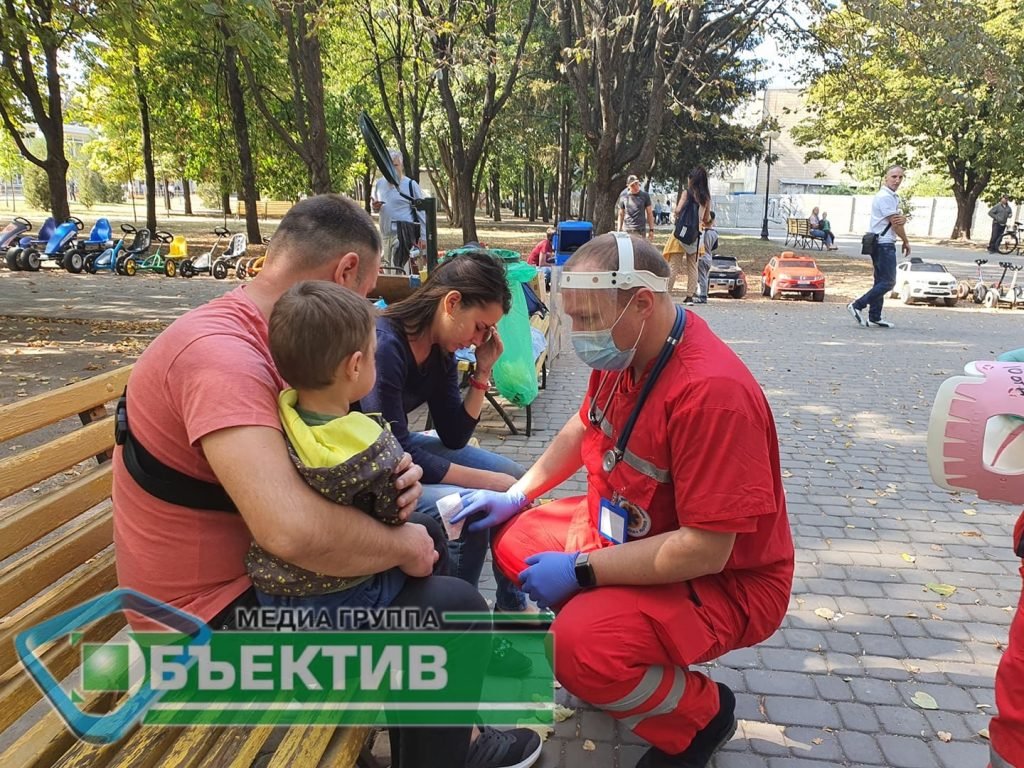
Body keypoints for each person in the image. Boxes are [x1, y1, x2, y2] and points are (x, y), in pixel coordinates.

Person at [112, 194, 541, 768]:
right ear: (345, 272)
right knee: (449, 607)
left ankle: (445, 739)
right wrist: (401, 540)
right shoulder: (223, 356)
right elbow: (289, 530)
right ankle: (452, 747)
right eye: (364, 298)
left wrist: (398, 489)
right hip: (201, 628)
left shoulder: (267, 340)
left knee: (436, 573)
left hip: (258, 588)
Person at [452, 233, 794, 768]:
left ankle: (702, 717)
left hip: (724, 579)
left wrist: (584, 571)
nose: (582, 334)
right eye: (575, 318)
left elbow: (707, 550)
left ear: (641, 302)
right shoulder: (628, 349)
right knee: (517, 537)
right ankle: (612, 650)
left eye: (588, 318)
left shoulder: (712, 396)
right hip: (634, 534)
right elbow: (582, 426)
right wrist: (517, 494)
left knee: (573, 646)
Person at [361, 250, 533, 623]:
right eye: (479, 327)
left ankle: (510, 609)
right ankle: (462, 622)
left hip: (399, 451)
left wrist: (482, 371)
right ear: (452, 303)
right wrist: (489, 483)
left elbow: (454, 435)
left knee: (518, 479)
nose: (479, 340)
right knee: (468, 509)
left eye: (488, 331)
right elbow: (394, 452)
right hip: (367, 467)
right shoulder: (386, 345)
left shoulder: (439, 347)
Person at [847, 165, 910, 329]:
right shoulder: (885, 197)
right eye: (894, 177)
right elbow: (895, 222)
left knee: (880, 281)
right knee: (889, 282)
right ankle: (857, 305)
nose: (897, 180)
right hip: (883, 244)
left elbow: (897, 220)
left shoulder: (891, 196)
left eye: (900, 177)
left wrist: (903, 220)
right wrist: (906, 240)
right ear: (886, 178)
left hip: (881, 242)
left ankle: (875, 315)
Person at [372, 148, 427, 273]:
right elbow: (375, 208)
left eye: (395, 165)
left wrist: (423, 237)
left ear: (401, 165)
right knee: (387, 271)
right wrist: (375, 207)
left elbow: (422, 212)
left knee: (400, 271)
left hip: (403, 237)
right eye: (388, 165)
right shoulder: (379, 184)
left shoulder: (410, 185)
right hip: (385, 236)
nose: (392, 168)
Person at [670, 166, 712, 305]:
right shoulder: (706, 198)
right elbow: (706, 218)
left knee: (674, 265)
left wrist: (677, 213)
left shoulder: (686, 193)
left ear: (692, 180)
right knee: (693, 266)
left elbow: (677, 210)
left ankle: (667, 294)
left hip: (680, 233)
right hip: (695, 235)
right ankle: (689, 296)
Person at [617, 175, 655, 240]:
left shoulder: (645, 195)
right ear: (628, 186)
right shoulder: (623, 196)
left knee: (640, 250)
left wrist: (651, 230)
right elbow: (621, 214)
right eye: (632, 185)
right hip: (627, 230)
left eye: (636, 183)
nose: (635, 187)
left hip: (640, 230)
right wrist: (619, 230)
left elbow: (649, 213)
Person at [694, 212, 719, 304]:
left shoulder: (702, 232)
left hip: (702, 255)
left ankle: (703, 295)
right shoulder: (715, 233)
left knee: (701, 277)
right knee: (705, 276)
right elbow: (715, 246)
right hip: (709, 256)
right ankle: (702, 292)